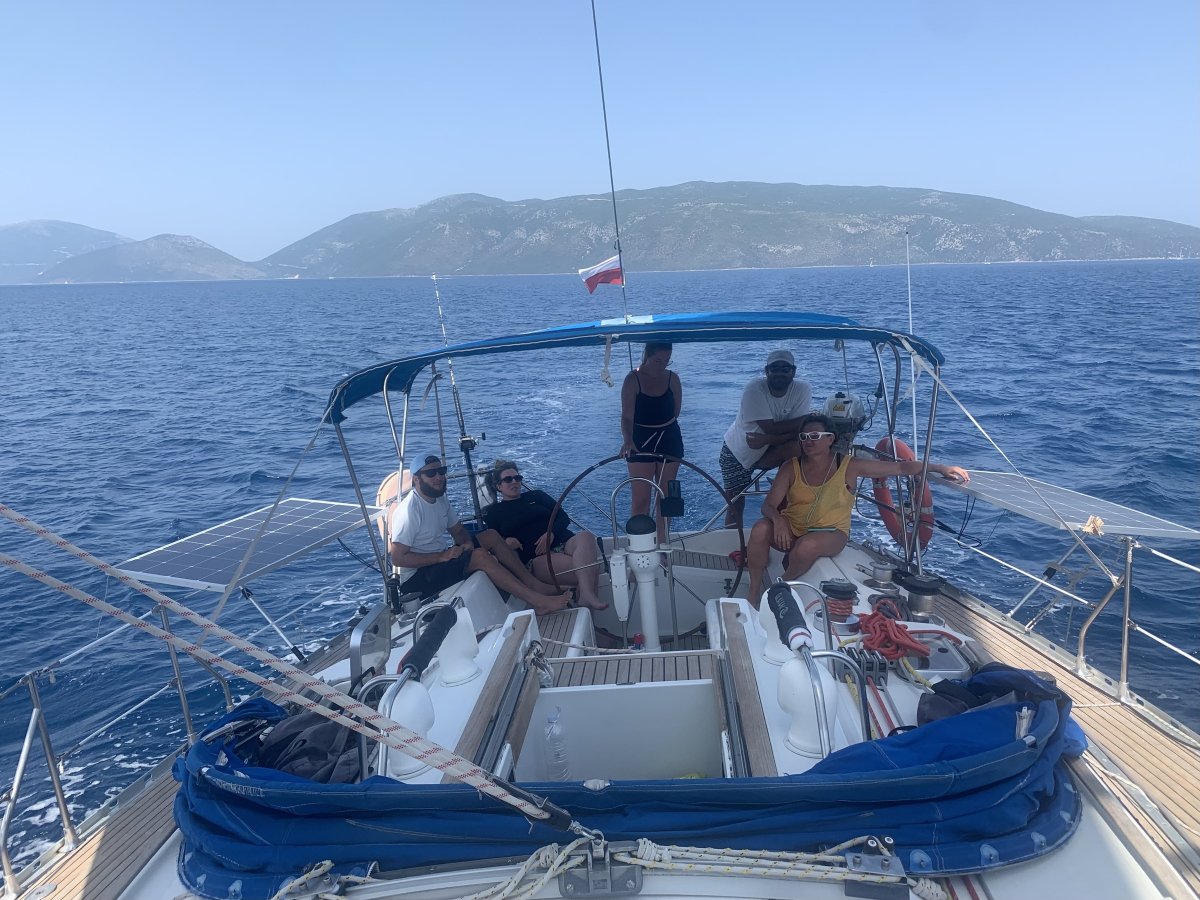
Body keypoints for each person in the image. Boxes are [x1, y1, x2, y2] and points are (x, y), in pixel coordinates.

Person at [745, 414, 971, 604]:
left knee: (807, 546)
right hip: (792, 526)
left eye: (815, 436)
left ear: (830, 439)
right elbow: (769, 505)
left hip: (831, 533)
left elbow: (900, 466)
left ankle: (782, 584)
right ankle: (754, 590)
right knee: (759, 529)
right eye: (804, 437)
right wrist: (778, 519)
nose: (808, 441)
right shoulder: (791, 467)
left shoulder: (849, 466)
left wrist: (940, 467)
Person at [389, 454, 571, 615]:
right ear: (416, 479)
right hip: (418, 579)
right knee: (479, 557)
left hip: (440, 561)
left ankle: (534, 585)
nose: (438, 477)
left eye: (441, 471)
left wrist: (466, 543)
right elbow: (398, 558)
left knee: (491, 535)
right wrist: (442, 557)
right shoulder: (409, 511)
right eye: (430, 473)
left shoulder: (440, 499)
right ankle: (538, 603)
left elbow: (459, 531)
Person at [482, 459, 607, 611]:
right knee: (588, 571)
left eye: (518, 478)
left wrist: (550, 533)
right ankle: (589, 618)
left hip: (563, 541)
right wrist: (507, 541)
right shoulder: (494, 513)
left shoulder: (537, 496)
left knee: (586, 536)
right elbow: (494, 542)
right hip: (538, 556)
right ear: (498, 486)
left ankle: (586, 597)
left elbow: (562, 517)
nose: (514, 482)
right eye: (508, 479)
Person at [719, 349, 812, 528]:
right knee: (735, 505)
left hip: (766, 449)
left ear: (793, 371)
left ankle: (786, 497)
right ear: (766, 371)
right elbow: (772, 427)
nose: (779, 372)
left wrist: (766, 439)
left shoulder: (803, 389)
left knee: (797, 448)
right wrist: (800, 423)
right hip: (738, 453)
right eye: (774, 368)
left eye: (785, 369)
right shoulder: (754, 388)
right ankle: (733, 544)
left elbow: (797, 430)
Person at [620, 342, 683, 542]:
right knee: (641, 501)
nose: (662, 365)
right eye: (658, 360)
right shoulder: (632, 380)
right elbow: (627, 417)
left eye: (667, 360)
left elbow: (676, 412)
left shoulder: (673, 378)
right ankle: (640, 548)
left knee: (668, 499)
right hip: (640, 441)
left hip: (670, 439)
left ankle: (663, 547)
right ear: (647, 355)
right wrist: (628, 441)